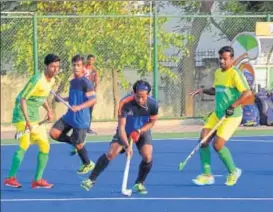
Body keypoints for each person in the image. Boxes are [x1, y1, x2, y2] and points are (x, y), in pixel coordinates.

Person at [81, 80, 159, 194]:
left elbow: (151, 123)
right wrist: (127, 146)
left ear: (148, 95)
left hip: (141, 131)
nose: (140, 100)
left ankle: (139, 183)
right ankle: (91, 179)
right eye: (138, 97)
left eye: (143, 97)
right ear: (133, 93)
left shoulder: (153, 104)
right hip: (125, 131)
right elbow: (121, 126)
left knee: (147, 156)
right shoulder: (125, 103)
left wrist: (140, 131)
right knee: (111, 153)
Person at [190, 46, 252, 186]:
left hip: (232, 116)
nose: (222, 61)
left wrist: (233, 106)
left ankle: (233, 171)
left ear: (231, 59)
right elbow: (216, 90)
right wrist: (203, 90)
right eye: (220, 58)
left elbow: (247, 93)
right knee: (203, 140)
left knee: (217, 145)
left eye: (225, 58)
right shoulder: (218, 72)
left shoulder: (235, 74)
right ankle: (207, 175)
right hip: (218, 114)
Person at [4, 54, 61, 188]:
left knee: (45, 145)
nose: (55, 69)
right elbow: (23, 98)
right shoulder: (37, 80)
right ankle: (10, 178)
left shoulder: (52, 81)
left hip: (34, 117)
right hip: (22, 115)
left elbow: (42, 97)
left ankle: (37, 180)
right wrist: (28, 121)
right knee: (24, 144)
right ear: (46, 66)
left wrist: (49, 110)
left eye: (57, 67)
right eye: (52, 66)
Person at [50, 54, 96, 174]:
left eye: (78, 65)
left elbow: (93, 100)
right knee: (54, 133)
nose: (76, 67)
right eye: (74, 65)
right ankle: (75, 142)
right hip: (69, 116)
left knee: (78, 144)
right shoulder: (73, 81)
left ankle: (87, 163)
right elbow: (74, 97)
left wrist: (80, 107)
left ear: (83, 67)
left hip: (81, 119)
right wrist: (63, 99)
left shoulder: (86, 82)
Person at [85, 54, 98, 134]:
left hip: (91, 92)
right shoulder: (83, 69)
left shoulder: (94, 70)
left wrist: (94, 92)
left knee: (90, 111)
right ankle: (80, 127)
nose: (91, 61)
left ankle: (88, 128)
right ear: (87, 60)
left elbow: (96, 82)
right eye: (89, 60)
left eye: (92, 60)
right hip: (83, 92)